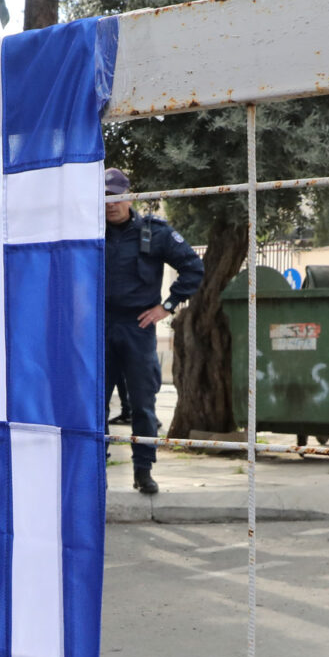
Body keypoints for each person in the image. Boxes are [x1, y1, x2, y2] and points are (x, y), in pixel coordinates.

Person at [104, 167, 203, 496]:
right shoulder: (87, 232)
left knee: (144, 404)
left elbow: (193, 267)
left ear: (129, 196)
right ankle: (94, 470)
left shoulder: (154, 232)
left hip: (138, 326)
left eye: (116, 196)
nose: (110, 204)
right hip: (98, 327)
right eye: (104, 198)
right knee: (93, 404)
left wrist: (168, 306)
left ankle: (142, 470)